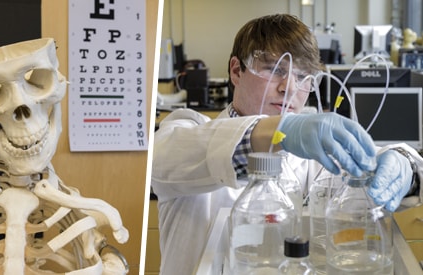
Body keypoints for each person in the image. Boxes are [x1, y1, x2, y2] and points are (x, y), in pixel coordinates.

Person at [152, 14, 422, 275]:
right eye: (275, 69)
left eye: (304, 78)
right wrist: (279, 132)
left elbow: (368, 164)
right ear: (236, 71)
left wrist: (404, 166)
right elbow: (163, 159)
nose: (290, 88)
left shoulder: (308, 153)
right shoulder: (185, 127)